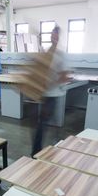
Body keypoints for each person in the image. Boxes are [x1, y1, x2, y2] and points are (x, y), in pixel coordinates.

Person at [31, 26, 70, 156]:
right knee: (43, 123)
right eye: (52, 35)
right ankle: (45, 149)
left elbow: (64, 76)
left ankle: (38, 151)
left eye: (56, 36)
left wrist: (51, 82)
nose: (53, 38)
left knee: (43, 123)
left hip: (52, 95)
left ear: (58, 38)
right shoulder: (46, 53)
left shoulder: (60, 55)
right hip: (43, 93)